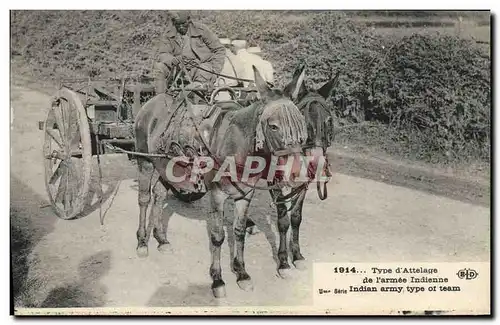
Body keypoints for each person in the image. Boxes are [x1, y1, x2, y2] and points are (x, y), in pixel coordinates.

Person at [153, 11, 226, 94]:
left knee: (202, 75)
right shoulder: (168, 34)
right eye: (177, 24)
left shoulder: (201, 30)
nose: (180, 27)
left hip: (200, 68)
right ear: (173, 23)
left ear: (189, 20)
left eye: (183, 24)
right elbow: (162, 53)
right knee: (159, 67)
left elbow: (219, 49)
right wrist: (172, 60)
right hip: (178, 69)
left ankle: (194, 95)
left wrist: (214, 71)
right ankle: (161, 100)